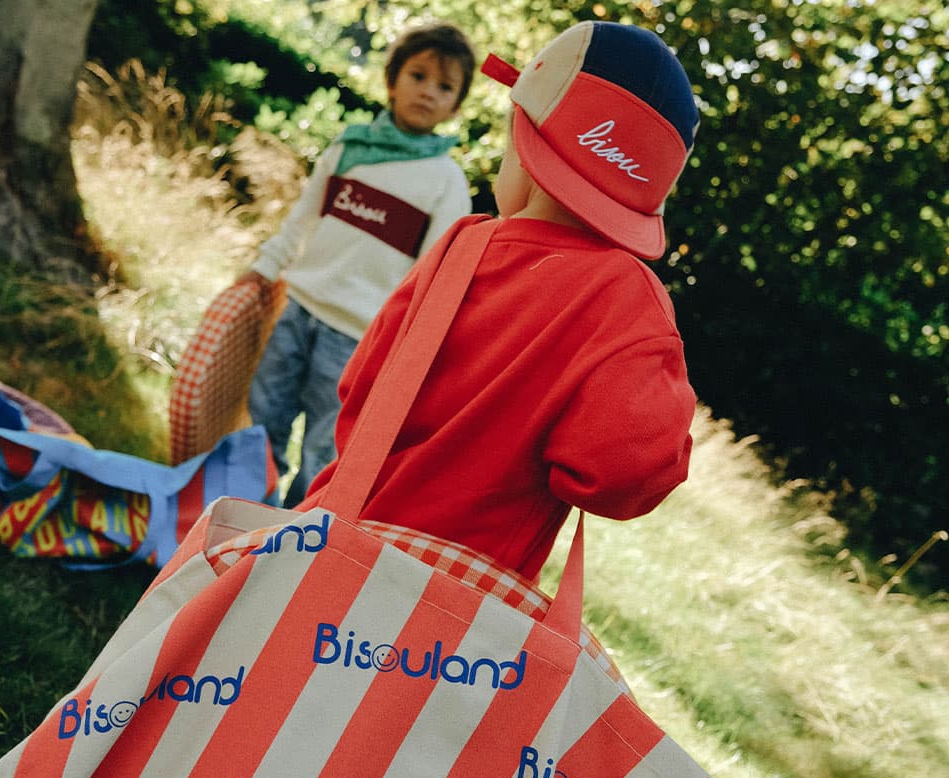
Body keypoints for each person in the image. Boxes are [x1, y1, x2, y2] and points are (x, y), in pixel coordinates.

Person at [299, 20, 701, 581]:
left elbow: (359, 388)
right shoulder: (629, 304)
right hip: (448, 611)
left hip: (330, 544)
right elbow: (623, 477)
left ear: (523, 138)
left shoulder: (460, 248)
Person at [242, 22, 475, 506]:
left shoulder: (446, 182)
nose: (428, 92)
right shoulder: (350, 148)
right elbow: (301, 219)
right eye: (418, 76)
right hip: (297, 308)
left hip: (357, 337)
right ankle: (237, 519)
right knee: (264, 418)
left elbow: (432, 277)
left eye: (445, 86)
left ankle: (286, 541)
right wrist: (264, 269)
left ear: (456, 105)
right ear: (392, 80)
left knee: (323, 449)